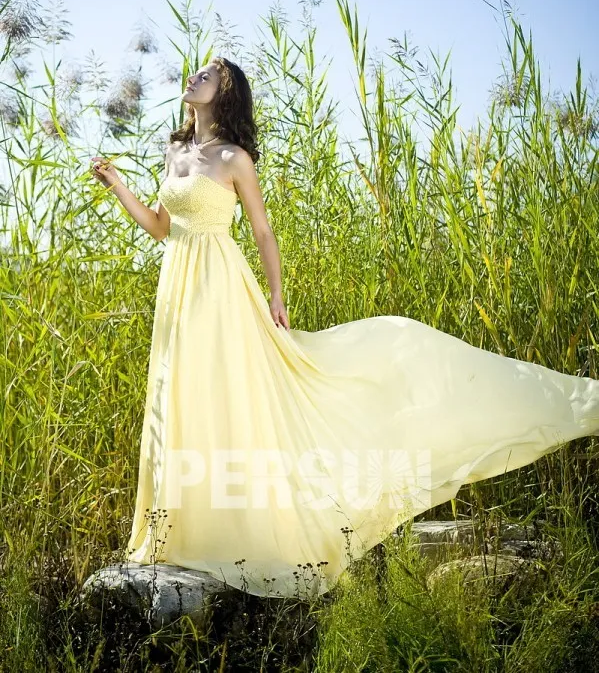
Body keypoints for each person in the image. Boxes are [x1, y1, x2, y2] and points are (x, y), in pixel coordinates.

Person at [91, 56, 599, 600]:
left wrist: (277, 296)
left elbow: (262, 232)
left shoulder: (235, 159)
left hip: (221, 285)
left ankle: (246, 529)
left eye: (207, 76)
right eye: (196, 74)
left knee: (235, 395)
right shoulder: (175, 150)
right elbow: (162, 229)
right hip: (179, 288)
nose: (194, 78)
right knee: (181, 396)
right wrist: (119, 185)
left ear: (226, 93)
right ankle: (178, 530)